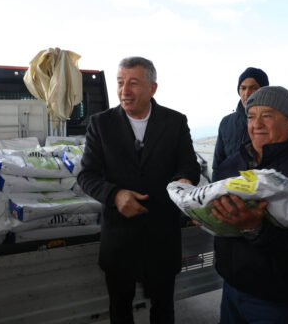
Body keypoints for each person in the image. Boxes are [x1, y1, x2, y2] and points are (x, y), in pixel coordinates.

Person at [77, 57, 200, 324]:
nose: (124, 90)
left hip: (162, 235)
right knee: (120, 310)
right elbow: (87, 175)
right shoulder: (101, 124)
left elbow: (189, 168)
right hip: (119, 237)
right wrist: (115, 195)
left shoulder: (175, 122)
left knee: (164, 309)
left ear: (152, 88)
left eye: (133, 83)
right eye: (120, 82)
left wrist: (184, 183)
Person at [212, 86, 288, 323]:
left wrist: (256, 229)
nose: (256, 124)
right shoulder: (230, 166)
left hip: (279, 299)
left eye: (267, 115)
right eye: (251, 116)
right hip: (232, 287)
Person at [212, 67, 269, 181]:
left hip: (265, 192)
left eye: (253, 88)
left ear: (264, 90)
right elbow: (218, 164)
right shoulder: (226, 123)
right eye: (243, 88)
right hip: (230, 192)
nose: (247, 93)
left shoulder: (277, 121)